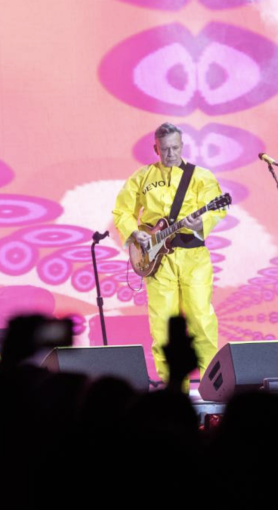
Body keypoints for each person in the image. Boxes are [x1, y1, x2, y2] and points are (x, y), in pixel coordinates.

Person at [113, 122, 226, 387]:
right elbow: (122, 211)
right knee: (163, 327)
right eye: (164, 149)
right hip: (157, 260)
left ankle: (212, 386)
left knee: (201, 320)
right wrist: (135, 233)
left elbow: (217, 209)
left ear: (182, 146)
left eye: (175, 147)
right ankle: (173, 390)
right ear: (156, 148)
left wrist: (200, 223)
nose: (171, 153)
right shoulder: (141, 177)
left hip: (193, 257)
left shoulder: (201, 177)